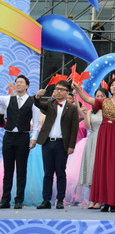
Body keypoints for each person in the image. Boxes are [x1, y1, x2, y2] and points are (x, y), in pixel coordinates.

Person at [73, 78, 115, 212]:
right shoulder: (104, 101)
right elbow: (88, 99)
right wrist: (78, 89)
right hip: (105, 135)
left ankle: (114, 202)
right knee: (104, 167)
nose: (114, 87)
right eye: (112, 85)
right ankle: (105, 201)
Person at [33, 80, 80, 210]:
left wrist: (71, 146)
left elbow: (74, 128)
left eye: (61, 89)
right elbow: (38, 104)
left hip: (62, 144)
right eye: (56, 89)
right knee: (47, 173)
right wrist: (37, 97)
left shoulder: (72, 108)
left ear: (67, 92)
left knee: (60, 173)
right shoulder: (50, 104)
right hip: (47, 142)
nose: (58, 91)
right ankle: (46, 200)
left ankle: (60, 200)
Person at [0, 75, 41, 209]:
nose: (18, 84)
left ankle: (19, 200)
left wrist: (33, 138)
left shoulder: (32, 101)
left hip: (23, 137)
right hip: (9, 137)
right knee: (8, 170)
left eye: (21, 82)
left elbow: (36, 123)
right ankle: (5, 200)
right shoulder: (8, 99)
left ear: (27, 86)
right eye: (16, 82)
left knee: (21, 170)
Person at [77, 88, 107, 209]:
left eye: (102, 96)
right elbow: (88, 127)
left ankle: (100, 199)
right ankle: (91, 199)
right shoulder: (91, 111)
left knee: (101, 169)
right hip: (93, 139)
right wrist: (85, 115)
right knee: (91, 168)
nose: (99, 98)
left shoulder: (109, 111)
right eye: (97, 96)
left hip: (105, 140)